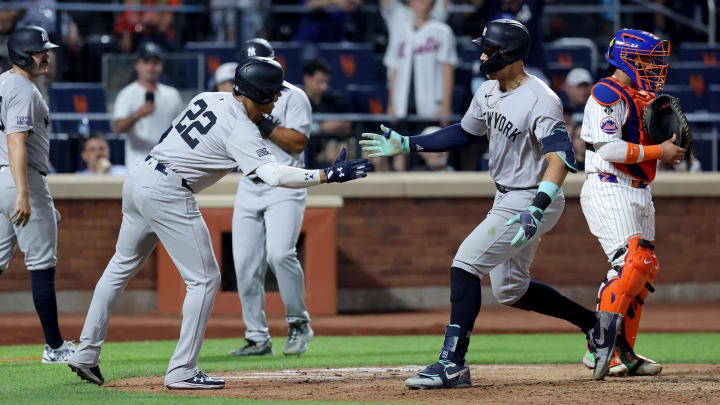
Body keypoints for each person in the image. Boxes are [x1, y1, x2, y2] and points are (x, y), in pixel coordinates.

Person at [68, 57, 372, 389]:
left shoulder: (206, 98)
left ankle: (86, 353)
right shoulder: (240, 126)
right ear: (256, 93)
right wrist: (327, 174)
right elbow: (273, 174)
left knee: (119, 268)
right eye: (272, 95)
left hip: (141, 176)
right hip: (169, 189)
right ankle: (182, 369)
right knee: (205, 279)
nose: (275, 102)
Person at [361, 19, 626, 388]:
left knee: (464, 264)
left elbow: (560, 159)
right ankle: (596, 325)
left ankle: (452, 363)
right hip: (507, 194)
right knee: (511, 291)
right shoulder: (487, 90)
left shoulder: (541, 99)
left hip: (532, 196)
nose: (482, 54)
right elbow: (464, 132)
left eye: (488, 49)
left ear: (509, 54)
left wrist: (536, 207)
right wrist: (409, 144)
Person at [579, 29, 685, 377]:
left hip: (638, 189)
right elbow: (606, 148)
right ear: (628, 58)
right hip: (610, 185)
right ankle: (599, 348)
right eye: (647, 59)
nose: (654, 66)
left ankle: (623, 352)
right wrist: (659, 151)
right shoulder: (606, 93)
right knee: (632, 264)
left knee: (644, 269)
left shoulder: (640, 96)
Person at [227, 39, 315, 358]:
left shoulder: (292, 95)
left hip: (284, 185)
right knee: (246, 266)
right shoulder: (234, 99)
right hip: (249, 184)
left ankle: (298, 323)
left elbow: (298, 142)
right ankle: (256, 336)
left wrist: (262, 121)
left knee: (280, 255)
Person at [0, 26, 75, 363]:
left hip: (2, 179)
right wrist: (24, 195)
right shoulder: (24, 90)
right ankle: (55, 347)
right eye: (38, 51)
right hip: (20, 179)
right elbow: (16, 142)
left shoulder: (3, 81)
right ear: (20, 54)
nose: (46, 55)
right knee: (42, 266)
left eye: (46, 49)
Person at [111, 41, 183, 169]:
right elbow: (117, 128)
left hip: (168, 165)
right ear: (137, 65)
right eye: (146, 62)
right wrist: (137, 115)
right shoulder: (127, 94)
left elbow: (180, 130)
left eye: (155, 63)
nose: (151, 67)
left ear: (161, 65)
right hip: (138, 165)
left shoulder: (172, 94)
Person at [302, 58, 351, 137]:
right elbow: (295, 128)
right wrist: (321, 127)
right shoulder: (296, 101)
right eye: (320, 82)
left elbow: (346, 127)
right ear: (307, 78)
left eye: (326, 82)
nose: (324, 87)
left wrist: (341, 126)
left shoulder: (332, 103)